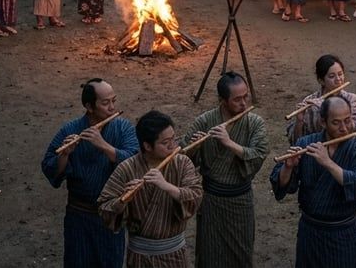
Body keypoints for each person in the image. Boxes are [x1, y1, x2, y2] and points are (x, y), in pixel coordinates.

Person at [42, 79, 139, 268]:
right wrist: (64, 156)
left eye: (114, 101)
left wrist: (103, 145)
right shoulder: (70, 129)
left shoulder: (123, 128)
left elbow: (134, 161)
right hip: (79, 216)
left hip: (111, 215)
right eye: (105, 103)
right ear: (89, 106)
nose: (112, 107)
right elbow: (49, 167)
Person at [272, 96, 356, 268]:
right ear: (323, 122)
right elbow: (282, 186)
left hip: (342, 234)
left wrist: (327, 162)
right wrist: (288, 167)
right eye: (336, 123)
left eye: (347, 120)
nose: (344, 128)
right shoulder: (306, 143)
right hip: (310, 232)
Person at [97, 111, 203, 268]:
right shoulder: (127, 168)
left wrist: (167, 186)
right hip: (140, 257)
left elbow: (196, 194)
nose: (173, 145)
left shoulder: (182, 162)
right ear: (147, 145)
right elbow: (104, 205)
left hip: (174, 255)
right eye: (165, 142)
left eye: (173, 138)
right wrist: (122, 201)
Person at [184, 72, 268, 268]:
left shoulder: (255, 123)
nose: (244, 104)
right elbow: (183, 157)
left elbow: (259, 154)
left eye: (246, 96)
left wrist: (229, 143)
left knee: (241, 255)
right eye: (237, 99)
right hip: (212, 200)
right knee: (209, 255)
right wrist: (195, 146)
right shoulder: (205, 121)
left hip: (240, 200)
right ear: (222, 100)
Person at [287, 54, 356, 145]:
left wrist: (326, 108)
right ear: (321, 81)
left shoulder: (352, 100)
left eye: (340, 74)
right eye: (332, 76)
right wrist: (299, 121)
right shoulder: (309, 102)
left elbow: (354, 131)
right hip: (315, 150)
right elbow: (296, 143)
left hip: (344, 149)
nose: (338, 79)